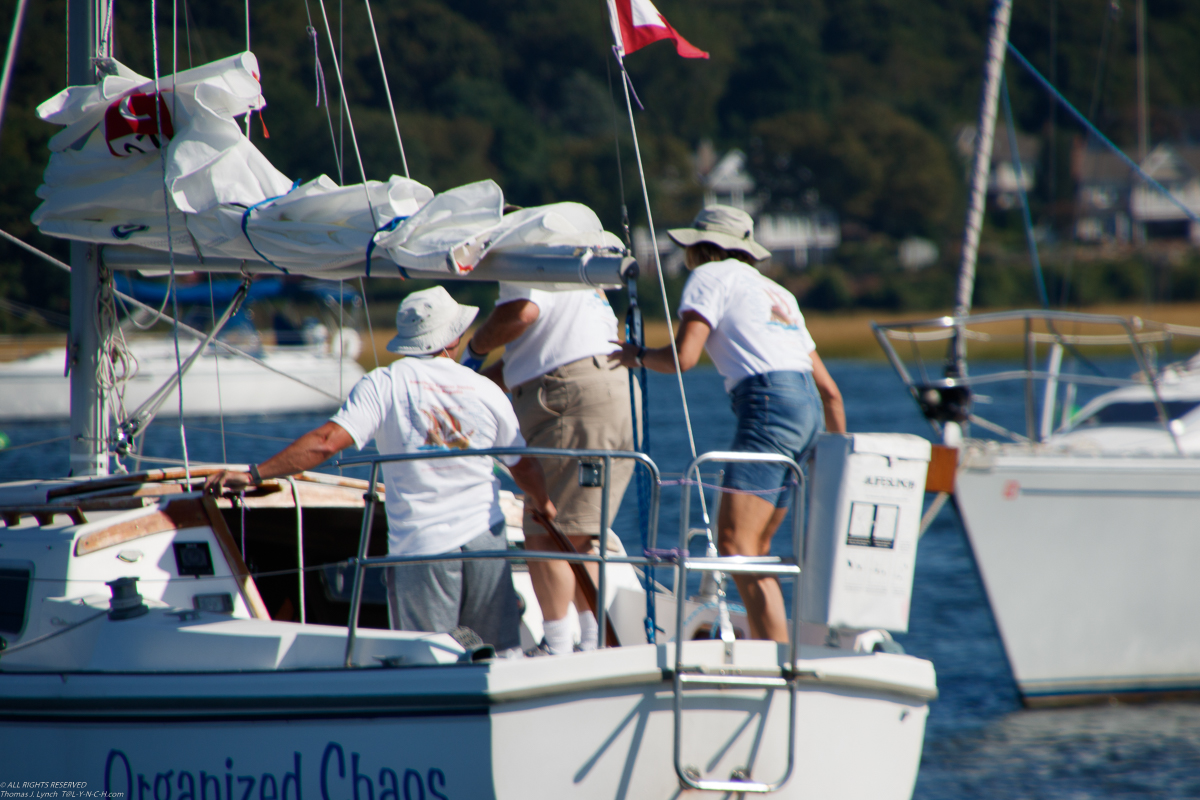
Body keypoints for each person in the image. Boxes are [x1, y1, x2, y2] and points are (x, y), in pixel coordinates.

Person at [206, 286, 555, 654]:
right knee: (499, 653)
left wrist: (254, 474)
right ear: (453, 338)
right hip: (486, 540)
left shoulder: (385, 383)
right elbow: (525, 465)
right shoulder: (485, 389)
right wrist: (543, 503)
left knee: (429, 657)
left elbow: (325, 442)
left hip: (425, 545)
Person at [610, 204, 845, 643]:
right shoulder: (778, 294)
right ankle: (773, 652)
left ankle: (773, 656)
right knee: (754, 552)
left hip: (769, 408)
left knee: (737, 547)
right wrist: (835, 462)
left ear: (702, 249)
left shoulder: (708, 277)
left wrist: (635, 355)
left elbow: (683, 357)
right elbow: (830, 391)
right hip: (808, 412)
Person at [461, 283, 634, 655]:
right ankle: (591, 643)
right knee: (580, 532)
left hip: (568, 399)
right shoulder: (575, 266)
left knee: (545, 526)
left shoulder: (527, 252)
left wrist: (473, 351)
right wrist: (467, 385)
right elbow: (531, 359)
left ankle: (558, 647)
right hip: (610, 391)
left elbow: (521, 313)